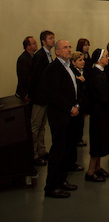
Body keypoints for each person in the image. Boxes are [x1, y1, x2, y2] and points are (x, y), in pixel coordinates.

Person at [44, 40, 80, 198]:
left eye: (70, 47)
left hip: (70, 114)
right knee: (58, 151)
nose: (69, 50)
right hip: (59, 115)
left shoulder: (69, 66)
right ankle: (51, 186)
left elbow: (72, 88)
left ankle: (62, 180)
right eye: (65, 48)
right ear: (57, 52)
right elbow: (52, 94)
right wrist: (69, 107)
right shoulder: (53, 68)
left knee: (66, 149)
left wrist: (77, 104)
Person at [85, 48, 109, 183]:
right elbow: (102, 95)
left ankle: (97, 167)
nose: (108, 58)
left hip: (103, 111)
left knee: (102, 139)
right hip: (99, 112)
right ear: (99, 59)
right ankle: (90, 171)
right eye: (106, 56)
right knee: (97, 141)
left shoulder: (100, 72)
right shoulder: (96, 74)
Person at [30, 30, 55, 165]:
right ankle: (33, 154)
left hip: (45, 97)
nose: (53, 40)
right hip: (39, 98)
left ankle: (42, 151)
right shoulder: (40, 56)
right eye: (50, 38)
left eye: (53, 38)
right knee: (35, 127)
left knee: (42, 126)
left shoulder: (48, 55)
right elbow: (35, 78)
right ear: (43, 41)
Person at [69, 51, 86, 172]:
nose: (83, 62)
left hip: (81, 107)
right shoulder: (73, 74)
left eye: (83, 59)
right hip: (74, 108)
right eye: (80, 60)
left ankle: (72, 162)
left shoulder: (82, 73)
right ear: (73, 62)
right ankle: (70, 163)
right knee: (71, 137)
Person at [16, 36, 37, 104]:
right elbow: (24, 78)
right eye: (34, 43)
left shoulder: (34, 57)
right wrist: (26, 93)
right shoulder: (23, 59)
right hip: (26, 94)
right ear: (28, 46)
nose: (36, 44)